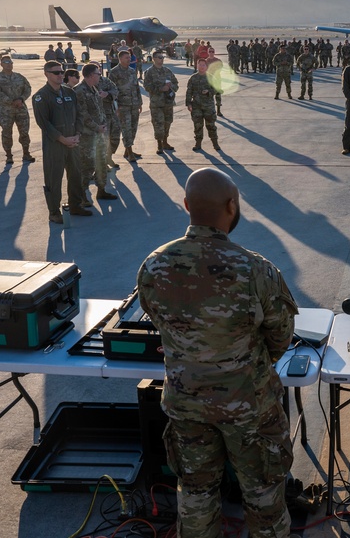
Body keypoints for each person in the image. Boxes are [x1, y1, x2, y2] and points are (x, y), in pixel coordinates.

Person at [137, 167, 297, 538]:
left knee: (195, 494)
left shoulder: (155, 264)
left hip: (186, 404)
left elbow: (159, 319)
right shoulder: (256, 269)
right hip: (249, 407)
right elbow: (280, 336)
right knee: (263, 495)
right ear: (232, 205)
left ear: (186, 205)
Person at [32, 61, 91, 224]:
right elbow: (44, 123)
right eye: (56, 72)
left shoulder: (69, 93)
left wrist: (77, 134)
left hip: (73, 142)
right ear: (46, 74)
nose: (60, 75)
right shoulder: (41, 96)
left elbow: (79, 115)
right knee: (54, 178)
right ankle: (54, 211)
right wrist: (62, 139)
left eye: (62, 72)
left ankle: (75, 205)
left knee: (76, 175)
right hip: (55, 144)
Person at [73, 63, 118, 203]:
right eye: (98, 74)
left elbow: (100, 109)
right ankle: (83, 195)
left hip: (100, 133)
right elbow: (83, 114)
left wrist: (102, 125)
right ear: (91, 75)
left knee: (101, 162)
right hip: (88, 135)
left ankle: (101, 190)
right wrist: (96, 127)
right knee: (87, 165)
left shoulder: (94, 88)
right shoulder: (79, 91)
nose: (100, 76)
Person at [0, 55, 35, 164]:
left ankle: (26, 153)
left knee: (24, 132)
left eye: (10, 62)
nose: (9, 64)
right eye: (6, 62)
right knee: (6, 133)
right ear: (1, 64)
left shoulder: (19, 77)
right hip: (6, 111)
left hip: (21, 109)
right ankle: (9, 155)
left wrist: (21, 99)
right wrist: (11, 101)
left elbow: (28, 89)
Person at [143, 51, 179, 154]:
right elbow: (147, 86)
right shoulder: (149, 72)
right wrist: (160, 89)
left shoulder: (167, 71)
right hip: (156, 104)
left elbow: (176, 83)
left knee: (167, 123)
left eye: (162, 57)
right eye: (159, 57)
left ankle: (165, 142)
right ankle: (159, 144)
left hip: (168, 103)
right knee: (158, 124)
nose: (161, 59)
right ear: (154, 58)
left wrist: (171, 87)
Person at [110, 50, 143, 162]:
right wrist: (116, 107)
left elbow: (137, 87)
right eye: (126, 58)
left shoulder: (132, 71)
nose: (129, 59)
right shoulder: (114, 72)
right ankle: (129, 153)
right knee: (126, 129)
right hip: (123, 106)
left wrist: (139, 102)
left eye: (129, 57)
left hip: (134, 104)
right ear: (120, 59)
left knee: (134, 128)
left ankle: (127, 150)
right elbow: (112, 91)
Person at [185, 59, 221, 152]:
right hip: (196, 106)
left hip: (208, 106)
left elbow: (217, 89)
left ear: (206, 66)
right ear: (197, 66)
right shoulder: (193, 78)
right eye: (200, 65)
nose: (201, 66)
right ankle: (198, 143)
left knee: (211, 125)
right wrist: (188, 103)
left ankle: (215, 143)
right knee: (198, 126)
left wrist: (209, 92)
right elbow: (189, 92)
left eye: (203, 65)